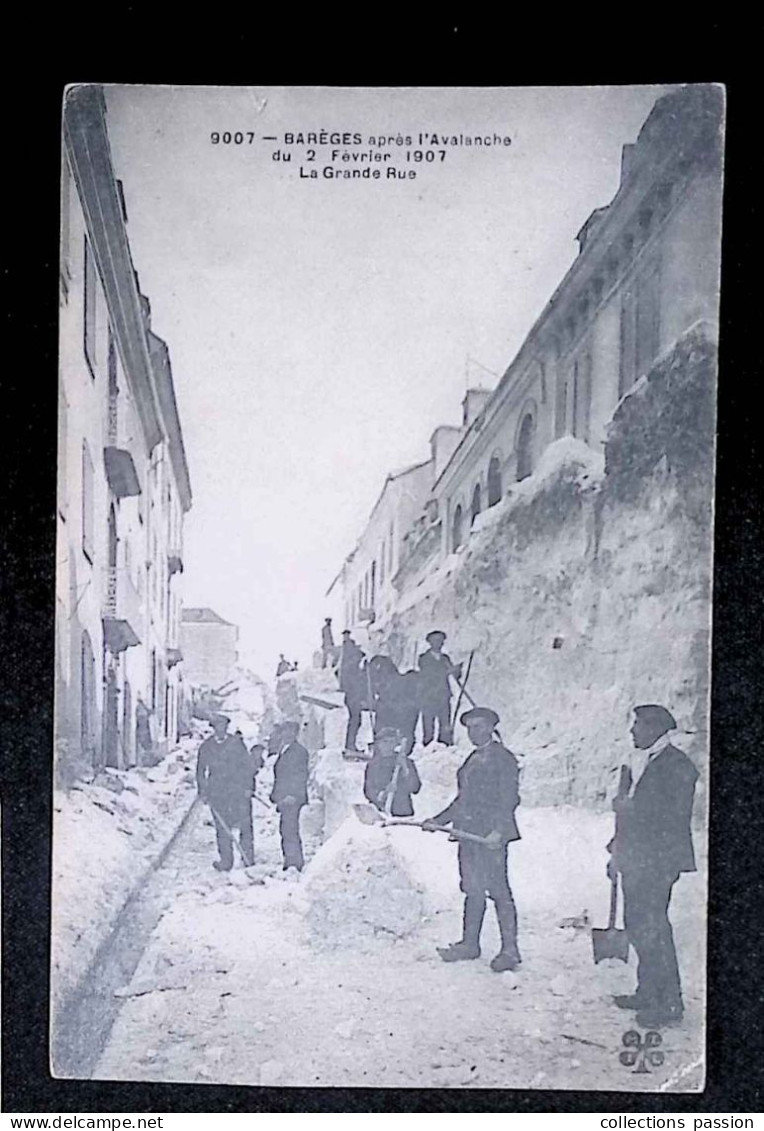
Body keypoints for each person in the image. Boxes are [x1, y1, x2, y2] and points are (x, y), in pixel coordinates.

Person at [606, 704, 699, 1029]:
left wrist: (631, 808)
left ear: (657, 729)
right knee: (637, 924)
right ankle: (647, 991)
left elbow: (672, 817)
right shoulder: (641, 762)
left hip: (658, 860)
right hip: (636, 857)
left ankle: (669, 1002)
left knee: (654, 927)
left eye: (639, 726)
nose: (633, 731)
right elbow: (630, 814)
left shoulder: (678, 765)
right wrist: (616, 849)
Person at [423, 706, 521, 972]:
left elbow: (509, 798)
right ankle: (470, 944)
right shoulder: (472, 759)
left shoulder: (503, 759)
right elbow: (462, 800)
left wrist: (498, 832)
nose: (473, 732)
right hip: (468, 834)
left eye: (479, 726)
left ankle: (510, 950)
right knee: (472, 889)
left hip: (490, 836)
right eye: (469, 728)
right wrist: (438, 820)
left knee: (499, 890)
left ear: (491, 727)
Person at [196, 714, 256, 871]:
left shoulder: (237, 744)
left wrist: (249, 787)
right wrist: (203, 790)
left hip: (238, 790)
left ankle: (248, 857)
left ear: (227, 727)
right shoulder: (206, 746)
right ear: (213, 728)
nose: (220, 729)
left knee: (245, 825)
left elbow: (248, 767)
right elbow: (200, 770)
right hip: (217, 793)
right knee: (222, 828)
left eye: (223, 726)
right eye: (217, 726)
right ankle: (226, 861)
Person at [270, 719, 310, 871]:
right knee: (285, 829)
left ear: (296, 733)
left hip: (293, 798)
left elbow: (300, 776)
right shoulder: (284, 749)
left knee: (290, 829)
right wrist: (276, 795)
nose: (287, 734)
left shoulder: (299, 752)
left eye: (291, 731)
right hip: (284, 797)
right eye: (285, 731)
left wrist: (293, 795)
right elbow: (280, 775)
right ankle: (289, 859)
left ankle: (294, 862)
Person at [363, 727, 422, 817]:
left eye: (392, 742)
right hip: (380, 813)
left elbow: (415, 788)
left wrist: (405, 768)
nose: (388, 745)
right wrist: (384, 794)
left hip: (403, 813)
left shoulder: (406, 762)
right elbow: (368, 791)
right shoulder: (373, 765)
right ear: (378, 744)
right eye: (385, 742)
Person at [418, 630, 462, 746]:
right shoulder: (424, 658)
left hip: (443, 694)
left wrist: (457, 671)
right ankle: (428, 746)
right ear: (430, 642)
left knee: (445, 722)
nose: (439, 643)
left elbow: (454, 676)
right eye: (436, 640)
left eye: (441, 641)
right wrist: (447, 671)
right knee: (428, 724)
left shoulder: (445, 659)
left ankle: (445, 745)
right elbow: (429, 674)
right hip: (428, 695)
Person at [338, 631, 366, 754]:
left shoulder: (349, 666)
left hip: (353, 697)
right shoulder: (351, 669)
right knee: (355, 720)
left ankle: (350, 744)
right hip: (353, 697)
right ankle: (350, 745)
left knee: (355, 720)